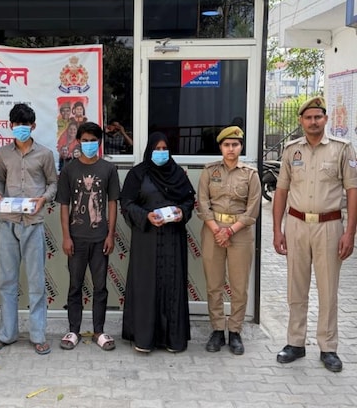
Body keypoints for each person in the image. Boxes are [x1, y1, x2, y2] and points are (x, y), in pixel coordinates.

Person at [272, 96, 357, 373]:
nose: (313, 122)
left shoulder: (342, 149)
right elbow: (281, 191)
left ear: (326, 119)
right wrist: (277, 230)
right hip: (296, 224)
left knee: (328, 288)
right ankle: (295, 342)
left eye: (318, 117)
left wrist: (350, 232)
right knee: (296, 287)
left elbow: (352, 191)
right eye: (308, 118)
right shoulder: (291, 150)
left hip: (329, 226)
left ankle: (328, 347)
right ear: (301, 121)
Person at [0, 103, 58, 355]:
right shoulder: (3, 153)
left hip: (33, 222)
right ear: (10, 126)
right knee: (7, 281)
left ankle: (38, 335)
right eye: (16, 125)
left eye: (25, 125)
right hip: (8, 221)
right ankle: (7, 334)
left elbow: (53, 183)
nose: (20, 128)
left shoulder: (45, 154)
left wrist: (43, 199)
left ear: (33, 126)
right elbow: (0, 179)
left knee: (36, 281)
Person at [120, 132, 195, 353]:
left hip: (173, 239)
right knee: (146, 286)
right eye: (157, 149)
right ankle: (144, 338)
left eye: (165, 149)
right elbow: (126, 203)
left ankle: (173, 339)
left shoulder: (178, 174)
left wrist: (182, 212)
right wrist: (146, 216)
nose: (161, 153)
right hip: (147, 240)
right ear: (149, 150)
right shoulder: (137, 174)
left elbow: (188, 199)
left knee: (173, 285)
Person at [196, 126, 261, 355]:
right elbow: (203, 203)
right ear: (221, 147)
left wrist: (230, 231)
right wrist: (217, 230)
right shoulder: (209, 171)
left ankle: (234, 330)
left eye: (235, 144)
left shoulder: (250, 174)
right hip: (212, 230)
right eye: (226, 145)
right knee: (214, 284)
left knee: (239, 285)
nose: (231, 148)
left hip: (240, 232)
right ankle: (217, 329)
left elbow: (253, 208)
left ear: (241, 147)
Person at [56, 122, 120, 351]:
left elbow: (112, 203)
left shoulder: (108, 169)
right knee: (75, 285)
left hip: (100, 238)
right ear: (78, 142)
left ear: (99, 142)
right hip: (76, 238)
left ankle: (98, 331)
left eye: (93, 140)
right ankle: (73, 330)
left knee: (100, 286)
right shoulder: (69, 170)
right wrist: (66, 237)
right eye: (85, 140)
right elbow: (64, 205)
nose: (89, 144)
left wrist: (110, 234)